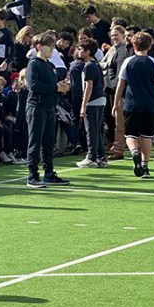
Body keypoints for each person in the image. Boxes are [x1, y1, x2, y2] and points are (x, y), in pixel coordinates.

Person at [113, 32, 154, 178]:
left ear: (133, 45)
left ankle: (134, 152)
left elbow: (120, 84)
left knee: (130, 134)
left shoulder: (128, 62)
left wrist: (115, 103)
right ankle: (145, 165)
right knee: (147, 136)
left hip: (132, 105)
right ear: (150, 46)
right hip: (150, 105)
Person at [25, 32, 70, 188]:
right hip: (36, 107)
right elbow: (34, 86)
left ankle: (49, 173)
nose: (52, 50)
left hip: (49, 107)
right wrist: (55, 87)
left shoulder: (50, 65)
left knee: (49, 143)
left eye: (52, 46)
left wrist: (62, 88)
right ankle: (32, 175)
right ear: (39, 47)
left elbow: (53, 86)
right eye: (48, 46)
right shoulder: (33, 64)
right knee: (35, 142)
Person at [75, 37, 107, 168]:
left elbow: (89, 86)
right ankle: (101, 156)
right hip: (100, 99)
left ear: (88, 52)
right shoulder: (96, 64)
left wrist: (84, 105)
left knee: (91, 130)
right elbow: (103, 83)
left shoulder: (88, 66)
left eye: (81, 49)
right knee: (96, 130)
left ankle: (91, 157)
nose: (78, 52)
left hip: (93, 101)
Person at [100, 25, 129, 160]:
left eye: (116, 35)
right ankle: (114, 144)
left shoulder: (123, 50)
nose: (114, 38)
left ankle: (119, 148)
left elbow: (120, 72)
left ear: (123, 35)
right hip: (109, 88)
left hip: (117, 88)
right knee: (110, 117)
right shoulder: (112, 49)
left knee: (119, 120)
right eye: (112, 35)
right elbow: (102, 63)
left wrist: (117, 87)